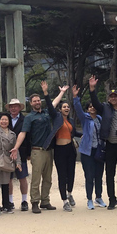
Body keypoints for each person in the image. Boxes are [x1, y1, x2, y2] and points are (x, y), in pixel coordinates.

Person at [89, 75, 117, 210]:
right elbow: (95, 102)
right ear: (108, 99)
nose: (113, 98)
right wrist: (92, 88)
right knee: (109, 173)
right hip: (110, 145)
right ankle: (112, 199)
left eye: (115, 96)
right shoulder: (105, 108)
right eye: (111, 96)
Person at [10, 93, 56, 214]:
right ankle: (35, 201)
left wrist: (61, 92)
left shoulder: (47, 113)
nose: (37, 102)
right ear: (30, 103)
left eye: (38, 100)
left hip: (49, 150)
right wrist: (16, 147)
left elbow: (54, 103)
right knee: (36, 178)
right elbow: (23, 133)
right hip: (37, 150)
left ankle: (45, 200)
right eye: (34, 101)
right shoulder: (29, 117)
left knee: (48, 178)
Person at [42, 81, 79, 212]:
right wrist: (47, 93)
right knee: (62, 175)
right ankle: (64, 201)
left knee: (71, 174)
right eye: (64, 107)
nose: (66, 108)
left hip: (70, 149)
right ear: (60, 109)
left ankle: (70, 193)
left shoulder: (71, 121)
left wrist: (86, 134)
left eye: (68, 107)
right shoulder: (56, 117)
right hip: (59, 150)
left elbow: (75, 132)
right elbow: (50, 106)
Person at [72, 85, 107, 210]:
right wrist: (75, 97)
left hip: (99, 150)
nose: (92, 108)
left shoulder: (100, 119)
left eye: (93, 106)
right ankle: (89, 199)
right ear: (87, 109)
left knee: (99, 175)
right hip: (87, 151)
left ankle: (99, 197)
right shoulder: (85, 119)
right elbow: (78, 109)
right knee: (89, 175)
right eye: (89, 107)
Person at [4, 99, 30, 212]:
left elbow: (29, 136)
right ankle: (10, 201)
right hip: (7, 152)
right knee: (8, 178)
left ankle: (24, 200)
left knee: (22, 176)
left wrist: (28, 153)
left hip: (22, 152)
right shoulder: (5, 119)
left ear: (20, 108)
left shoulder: (25, 119)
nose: (13, 108)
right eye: (11, 106)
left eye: (15, 106)